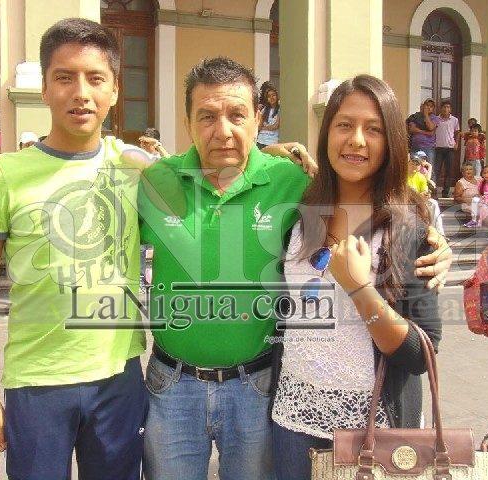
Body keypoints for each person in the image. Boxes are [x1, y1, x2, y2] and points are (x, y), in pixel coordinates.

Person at [138, 58, 451, 480]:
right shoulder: (158, 182)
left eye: (237, 115)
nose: (223, 130)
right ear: (188, 121)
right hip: (250, 406)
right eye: (207, 116)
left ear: (258, 118)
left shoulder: (303, 188)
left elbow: (421, 349)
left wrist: (422, 247)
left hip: (305, 403)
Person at [0, 18, 148, 480]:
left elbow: (207, 176)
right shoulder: (4, 176)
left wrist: (272, 154)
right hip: (37, 385)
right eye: (64, 77)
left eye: (95, 78)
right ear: (45, 89)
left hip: (118, 381)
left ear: (114, 90)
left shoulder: (135, 168)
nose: (80, 93)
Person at [270, 74, 441, 480]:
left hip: (375, 430)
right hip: (292, 422)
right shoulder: (299, 217)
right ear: (327, 133)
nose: (357, 140)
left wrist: (360, 288)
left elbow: (422, 354)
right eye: (344, 125)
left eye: (373, 129)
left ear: (391, 142)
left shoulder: (407, 230)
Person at [433, 100, 460, 197]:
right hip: (438, 148)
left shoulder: (454, 120)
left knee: (449, 171)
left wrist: (456, 143)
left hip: (450, 149)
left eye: (448, 107)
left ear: (450, 109)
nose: (446, 109)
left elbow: (457, 132)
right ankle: (433, 191)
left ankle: (446, 192)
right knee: (436, 170)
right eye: (444, 107)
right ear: (441, 108)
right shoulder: (436, 119)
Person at [406, 98, 438, 168]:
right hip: (415, 147)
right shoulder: (415, 116)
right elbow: (412, 129)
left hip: (428, 148)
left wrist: (426, 115)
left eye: (431, 106)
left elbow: (431, 128)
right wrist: (426, 132)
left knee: (429, 169)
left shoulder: (434, 118)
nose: (429, 107)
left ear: (433, 109)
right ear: (423, 106)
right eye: (427, 105)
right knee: (414, 168)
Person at [470, 165, 488, 238]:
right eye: (484, 173)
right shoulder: (481, 183)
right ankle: (474, 220)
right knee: (475, 199)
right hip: (485, 202)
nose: (486, 175)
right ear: (482, 174)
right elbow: (480, 194)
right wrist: (481, 198)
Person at [256, 83, 280, 149]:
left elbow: (275, 126)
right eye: (269, 96)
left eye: (273, 95)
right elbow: (259, 126)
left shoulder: (280, 109)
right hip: (260, 140)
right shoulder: (264, 109)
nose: (271, 98)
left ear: (277, 96)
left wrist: (263, 128)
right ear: (267, 99)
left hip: (272, 141)